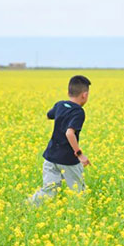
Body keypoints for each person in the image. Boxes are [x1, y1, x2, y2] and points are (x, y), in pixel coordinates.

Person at [30, 75, 92, 204]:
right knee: (78, 193)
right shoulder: (78, 112)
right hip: (68, 160)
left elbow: (49, 115)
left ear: (69, 91)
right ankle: (79, 217)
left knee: (49, 191)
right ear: (84, 95)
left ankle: (27, 206)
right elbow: (70, 133)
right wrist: (80, 155)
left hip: (51, 156)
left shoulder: (59, 105)